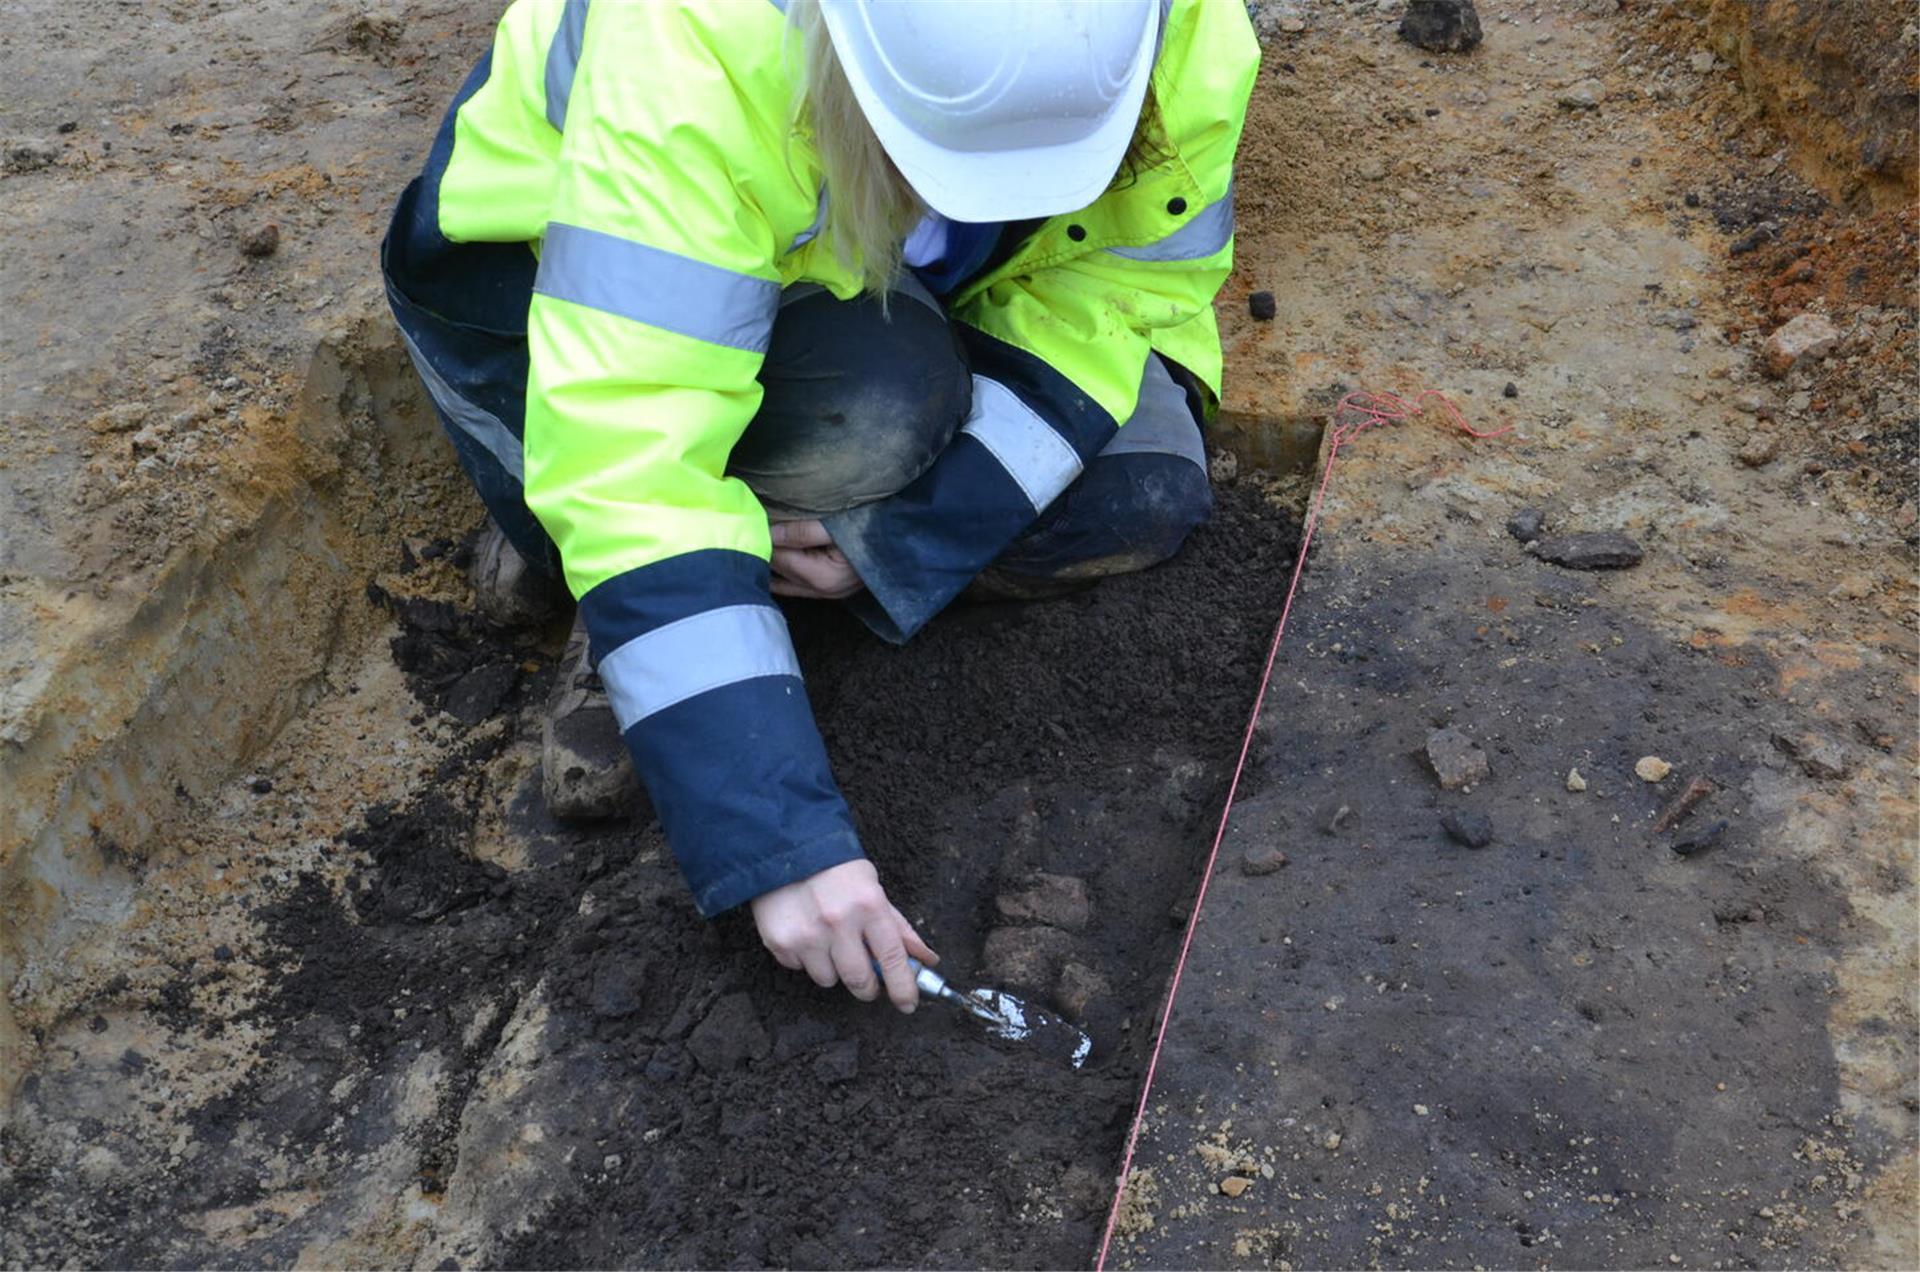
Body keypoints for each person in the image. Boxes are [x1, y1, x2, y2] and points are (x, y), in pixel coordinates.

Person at [382, 0, 1258, 1016]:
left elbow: (1113, 295)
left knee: (1145, 483)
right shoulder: (694, 41)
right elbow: (634, 451)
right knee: (883, 411)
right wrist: (779, 845)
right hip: (562, 296)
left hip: (911, 271)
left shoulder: (1176, 33)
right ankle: (616, 588)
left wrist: (900, 537)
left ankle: (726, 587)